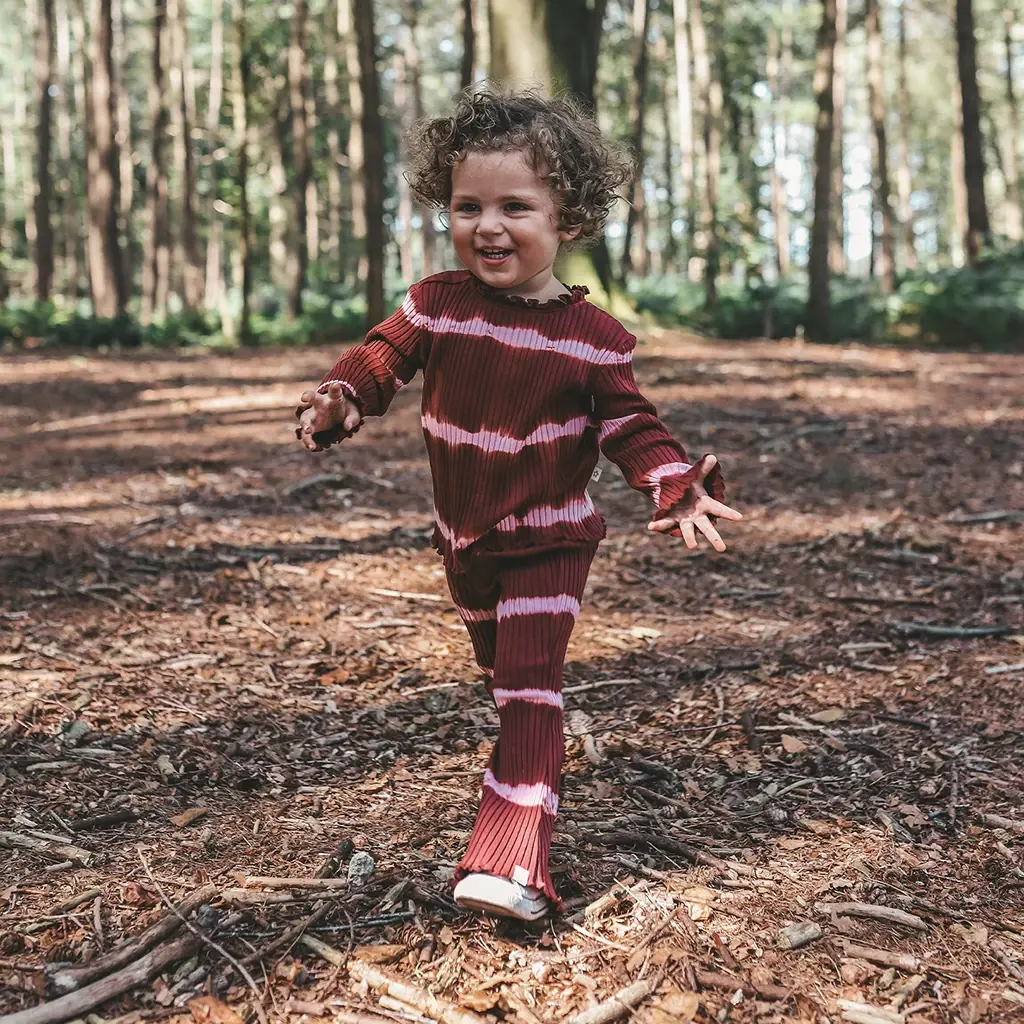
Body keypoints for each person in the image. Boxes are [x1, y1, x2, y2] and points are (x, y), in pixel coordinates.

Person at [295, 90, 742, 922]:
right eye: (468, 207)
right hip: (464, 544)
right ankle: (515, 825)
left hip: (547, 539)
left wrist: (674, 483)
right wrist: (342, 398)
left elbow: (631, 424)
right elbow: (381, 355)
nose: (488, 227)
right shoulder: (439, 304)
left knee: (531, 690)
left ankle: (510, 866)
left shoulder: (594, 339)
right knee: (503, 679)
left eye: (515, 207)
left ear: (566, 217)